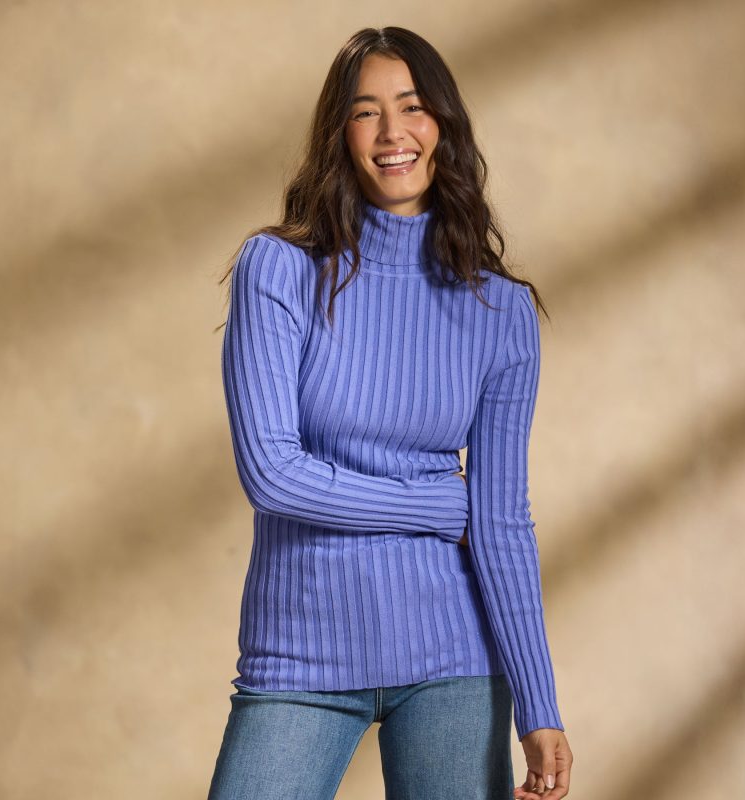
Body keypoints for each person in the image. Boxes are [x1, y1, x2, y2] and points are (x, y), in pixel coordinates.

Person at [208, 26, 573, 800]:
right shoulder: (277, 270)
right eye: (365, 112)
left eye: (411, 107)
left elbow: (501, 524)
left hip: (453, 656)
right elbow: (272, 474)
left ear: (443, 124)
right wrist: (438, 504)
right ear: (339, 135)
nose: (391, 133)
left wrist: (539, 709)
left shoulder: (501, 311)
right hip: (299, 649)